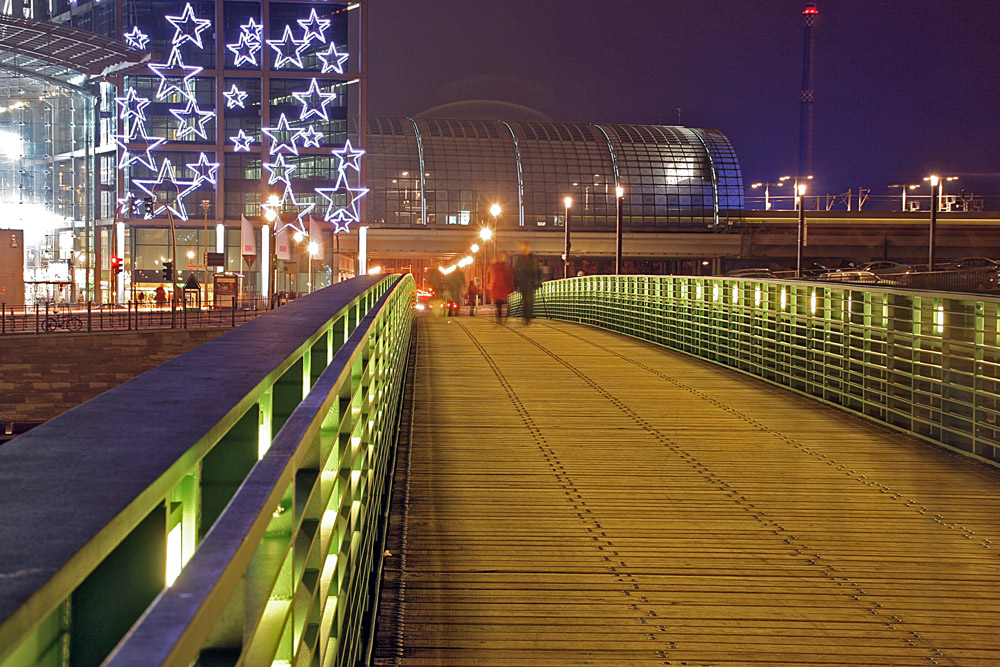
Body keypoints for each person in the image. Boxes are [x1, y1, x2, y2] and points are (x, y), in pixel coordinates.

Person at [513, 241, 541, 324]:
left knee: (530, 299)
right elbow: (516, 271)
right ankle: (526, 316)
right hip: (524, 282)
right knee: (526, 299)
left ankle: (528, 316)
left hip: (531, 281)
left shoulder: (532, 258)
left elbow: (537, 270)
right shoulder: (521, 259)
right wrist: (516, 282)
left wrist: (538, 279)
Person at [486, 251, 515, 322]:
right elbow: (511, 276)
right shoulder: (507, 266)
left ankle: (499, 319)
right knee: (505, 304)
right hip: (503, 287)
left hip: (500, 287)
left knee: (499, 304)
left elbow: (492, 270)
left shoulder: (497, 265)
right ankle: (503, 318)